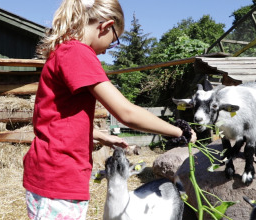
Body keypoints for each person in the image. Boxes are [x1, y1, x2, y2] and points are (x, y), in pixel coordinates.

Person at [23, 0, 197, 219]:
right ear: (106, 26)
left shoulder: (64, 52)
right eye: (113, 41)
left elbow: (53, 119)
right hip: (59, 176)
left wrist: (100, 136)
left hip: (50, 173)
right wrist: (180, 132)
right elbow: (126, 113)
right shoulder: (78, 53)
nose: (107, 51)